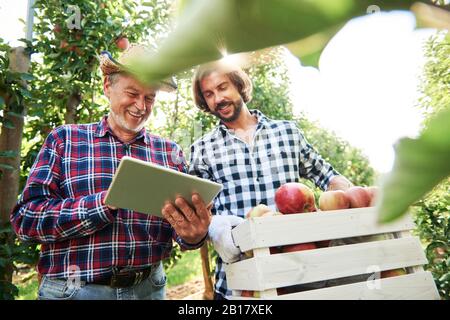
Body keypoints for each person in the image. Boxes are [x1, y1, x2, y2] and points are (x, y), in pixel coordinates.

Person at [10, 45, 211, 300]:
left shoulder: (168, 152)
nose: (141, 106)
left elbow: (178, 232)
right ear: (107, 86)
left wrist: (192, 235)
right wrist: (102, 205)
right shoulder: (65, 140)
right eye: (132, 93)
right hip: (76, 291)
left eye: (150, 98)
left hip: (148, 289)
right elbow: (25, 220)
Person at [189, 61, 354, 299]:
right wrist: (214, 229)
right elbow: (197, 214)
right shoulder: (202, 149)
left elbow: (328, 176)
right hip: (238, 281)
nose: (218, 99)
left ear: (238, 84)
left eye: (222, 87)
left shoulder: (288, 132)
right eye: (209, 94)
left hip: (297, 273)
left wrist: (355, 197)